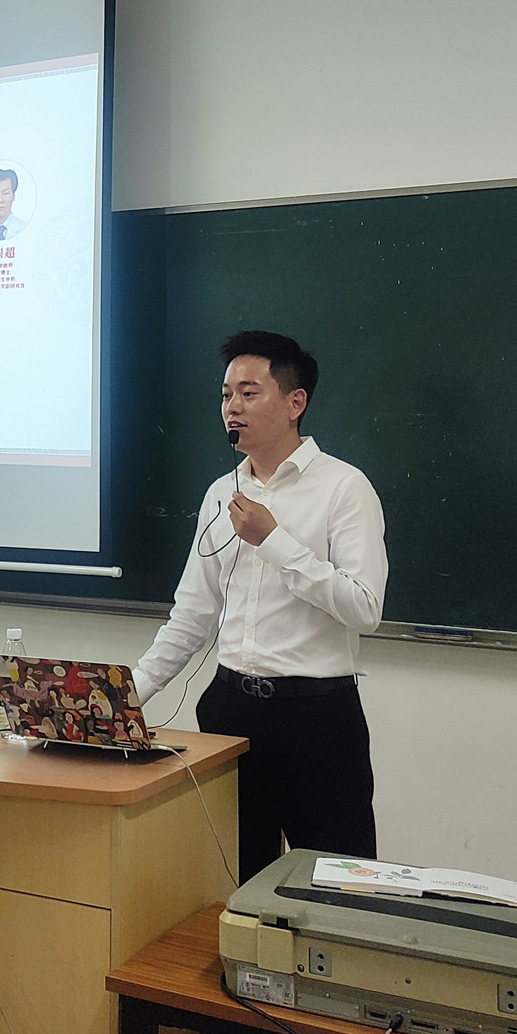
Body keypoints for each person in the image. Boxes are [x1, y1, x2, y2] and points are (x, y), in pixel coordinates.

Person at [132, 330, 387, 881]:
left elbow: (365, 607)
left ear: (295, 403)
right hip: (229, 712)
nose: (233, 407)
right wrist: (129, 697)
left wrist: (274, 541)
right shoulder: (220, 493)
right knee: (235, 879)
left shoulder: (344, 488)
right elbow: (192, 615)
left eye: (249, 393)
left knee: (337, 882)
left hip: (316, 717)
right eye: (227, 395)